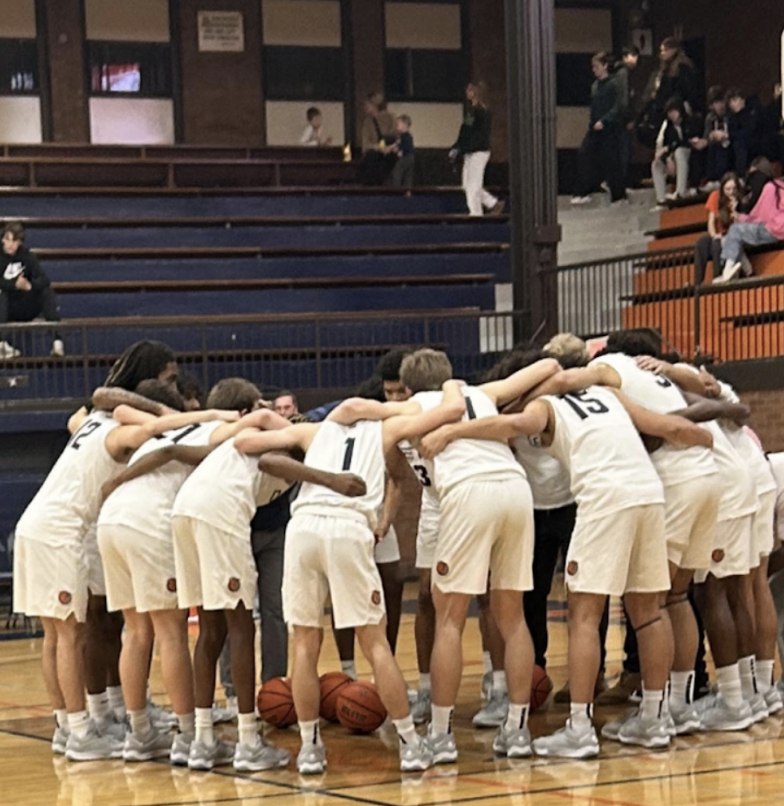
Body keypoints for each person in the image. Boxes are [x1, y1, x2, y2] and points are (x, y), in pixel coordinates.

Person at [420, 372, 713, 758]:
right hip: (649, 495)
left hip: (605, 498)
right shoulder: (610, 395)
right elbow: (672, 426)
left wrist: (451, 433)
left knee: (584, 616)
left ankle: (579, 727)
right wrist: (707, 440)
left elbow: (512, 424)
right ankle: (655, 718)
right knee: (651, 612)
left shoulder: (545, 406)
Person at [235, 383, 471, 774]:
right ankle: (411, 744)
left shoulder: (313, 430)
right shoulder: (386, 430)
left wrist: (311, 462)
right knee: (375, 643)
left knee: (305, 646)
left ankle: (310, 749)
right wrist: (448, 388)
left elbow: (244, 443)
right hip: (347, 527)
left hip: (303, 528)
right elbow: (451, 412)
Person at [13, 385, 223, 762]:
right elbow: (159, 429)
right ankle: (80, 734)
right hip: (61, 531)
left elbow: (89, 405)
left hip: (35, 523)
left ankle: (66, 728)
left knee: (55, 635)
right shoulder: (116, 432)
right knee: (71, 634)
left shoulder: (86, 422)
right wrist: (207, 416)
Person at [96, 379, 286, 766]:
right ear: (244, 411)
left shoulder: (178, 423)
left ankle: (144, 735)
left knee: (137, 630)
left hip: (114, 518)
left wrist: (118, 480)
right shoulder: (229, 427)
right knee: (177, 631)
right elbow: (262, 418)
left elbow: (168, 447)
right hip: (156, 518)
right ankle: (199, 737)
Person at [400, 349, 560, 762]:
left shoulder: (411, 408)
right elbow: (549, 366)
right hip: (515, 489)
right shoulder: (481, 392)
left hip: (469, 494)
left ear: (407, 387)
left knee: (449, 618)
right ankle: (518, 730)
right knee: (512, 616)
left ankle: (439, 735)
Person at [0, 222, 62, 358]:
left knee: (46, 291)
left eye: (15, 241)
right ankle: (1, 344)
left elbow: (44, 279)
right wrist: (14, 284)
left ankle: (57, 341)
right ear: (2, 239)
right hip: (5, 308)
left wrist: (30, 286)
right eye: (7, 239)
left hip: (23, 305)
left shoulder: (27, 256)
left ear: (20, 243)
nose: (10, 244)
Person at [571, 52, 625, 205]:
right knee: (584, 154)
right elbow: (594, 108)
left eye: (596, 66)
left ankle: (618, 195)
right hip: (595, 127)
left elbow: (618, 106)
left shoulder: (614, 83)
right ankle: (582, 190)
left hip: (609, 127)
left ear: (605, 66)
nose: (594, 70)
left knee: (612, 160)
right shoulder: (595, 85)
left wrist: (606, 120)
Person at [449, 81, 504, 216]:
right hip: (470, 151)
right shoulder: (472, 111)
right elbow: (465, 132)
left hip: (478, 151)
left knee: (473, 186)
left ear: (476, 92)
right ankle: (492, 203)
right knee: (467, 185)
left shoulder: (481, 112)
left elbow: (477, 135)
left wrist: (461, 147)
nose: (467, 92)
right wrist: (457, 147)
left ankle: (476, 214)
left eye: (470, 90)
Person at [719, 177, 784, 282]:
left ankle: (729, 270)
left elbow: (763, 216)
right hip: (777, 228)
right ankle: (738, 271)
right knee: (728, 239)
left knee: (735, 230)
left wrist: (740, 217)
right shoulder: (779, 187)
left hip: (774, 229)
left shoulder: (770, 187)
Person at [693, 172, 741, 285]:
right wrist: (714, 234)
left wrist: (735, 210)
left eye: (733, 189)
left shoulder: (740, 200)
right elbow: (711, 221)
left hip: (731, 236)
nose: (731, 192)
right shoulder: (715, 196)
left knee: (716, 244)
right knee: (702, 243)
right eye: (728, 189)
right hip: (718, 234)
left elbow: (739, 226)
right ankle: (698, 282)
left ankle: (717, 277)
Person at [652, 98, 700, 206]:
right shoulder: (668, 127)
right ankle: (661, 198)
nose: (672, 115)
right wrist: (667, 157)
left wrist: (669, 149)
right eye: (669, 112)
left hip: (690, 154)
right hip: (674, 157)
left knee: (679, 152)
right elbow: (665, 145)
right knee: (656, 164)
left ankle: (681, 191)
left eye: (674, 111)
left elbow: (687, 142)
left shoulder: (690, 121)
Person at [690, 86, 732, 187]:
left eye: (721, 102)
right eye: (716, 103)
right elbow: (707, 136)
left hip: (730, 143)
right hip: (714, 144)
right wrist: (704, 141)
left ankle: (719, 179)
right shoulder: (710, 118)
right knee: (701, 151)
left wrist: (725, 135)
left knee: (719, 148)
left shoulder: (730, 115)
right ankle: (697, 184)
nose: (720, 106)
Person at [614, 45, 640, 185]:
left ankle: (619, 180)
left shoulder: (618, 72)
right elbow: (624, 100)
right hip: (623, 120)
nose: (635, 59)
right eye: (633, 56)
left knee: (623, 150)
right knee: (625, 151)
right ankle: (621, 182)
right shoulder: (624, 73)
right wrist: (629, 119)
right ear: (625, 57)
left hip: (618, 118)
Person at [727, 88, 765, 177]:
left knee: (739, 143)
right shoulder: (732, 118)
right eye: (730, 102)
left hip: (756, 141)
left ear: (742, 99)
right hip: (738, 144)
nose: (733, 104)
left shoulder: (753, 111)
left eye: (735, 100)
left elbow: (751, 130)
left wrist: (729, 135)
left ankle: (741, 175)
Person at [359, 93, 396, 186]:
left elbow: (396, 135)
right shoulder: (367, 121)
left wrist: (390, 147)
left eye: (367, 104)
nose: (365, 107)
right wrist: (377, 147)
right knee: (372, 158)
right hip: (375, 152)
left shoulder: (391, 118)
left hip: (391, 150)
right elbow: (365, 144)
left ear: (374, 105)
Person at [390, 115, 415, 189]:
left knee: (397, 171)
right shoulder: (404, 136)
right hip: (411, 157)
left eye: (398, 124)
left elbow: (406, 145)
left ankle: (396, 189)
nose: (396, 126)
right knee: (408, 175)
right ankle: (408, 190)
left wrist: (401, 151)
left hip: (406, 157)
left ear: (405, 125)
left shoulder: (405, 136)